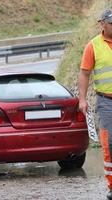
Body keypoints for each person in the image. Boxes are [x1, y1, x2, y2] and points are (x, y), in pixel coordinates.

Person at [78, 8, 112, 200]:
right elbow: (84, 73)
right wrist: (82, 99)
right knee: (110, 143)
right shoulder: (93, 46)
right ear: (103, 24)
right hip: (107, 102)